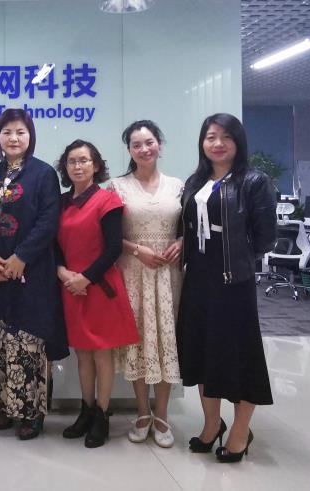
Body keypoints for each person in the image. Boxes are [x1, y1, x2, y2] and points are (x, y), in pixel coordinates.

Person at [177, 113, 276, 463]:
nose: (217, 143)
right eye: (211, 137)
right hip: (198, 278)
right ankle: (211, 424)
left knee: (239, 355)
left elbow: (265, 237)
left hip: (233, 281)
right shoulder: (196, 181)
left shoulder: (253, 181)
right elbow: (188, 227)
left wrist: (238, 255)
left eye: (226, 137)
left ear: (238, 141)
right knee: (204, 352)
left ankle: (240, 430)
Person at [0, 109, 67, 441]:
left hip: (33, 271)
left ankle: (32, 412)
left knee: (29, 342)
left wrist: (21, 257)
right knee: (2, 340)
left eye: (20, 132)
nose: (13, 138)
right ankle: (8, 405)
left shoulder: (43, 174)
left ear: (30, 137)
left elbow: (48, 221)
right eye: (7, 132)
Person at [55, 139, 138, 448]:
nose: (78, 166)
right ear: (65, 167)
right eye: (72, 161)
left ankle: (102, 415)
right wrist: (62, 271)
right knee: (82, 353)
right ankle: (86, 410)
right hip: (70, 286)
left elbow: (114, 247)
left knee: (102, 353)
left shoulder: (107, 200)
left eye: (84, 160)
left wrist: (86, 278)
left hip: (99, 286)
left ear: (96, 165)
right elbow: (54, 244)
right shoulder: (61, 203)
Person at [109, 120, 183, 448]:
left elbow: (190, 227)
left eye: (149, 142)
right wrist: (138, 250)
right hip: (133, 274)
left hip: (169, 276)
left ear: (159, 145)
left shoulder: (178, 186)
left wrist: (181, 242)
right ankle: (142, 412)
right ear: (129, 150)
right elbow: (108, 236)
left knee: (166, 341)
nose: (144, 149)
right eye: (136, 144)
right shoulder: (116, 187)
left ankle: (162, 414)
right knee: (137, 341)